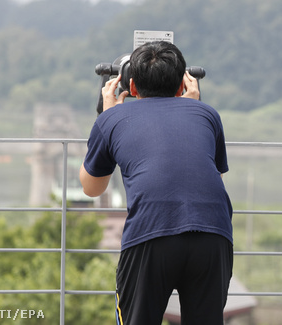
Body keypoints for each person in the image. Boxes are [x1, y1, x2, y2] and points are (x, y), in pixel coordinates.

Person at [80, 41, 233, 325]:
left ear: (132, 86)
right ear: (182, 85)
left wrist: (106, 115)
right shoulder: (207, 115)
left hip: (151, 233)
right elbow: (216, 177)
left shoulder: (112, 119)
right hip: (214, 234)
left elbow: (92, 188)